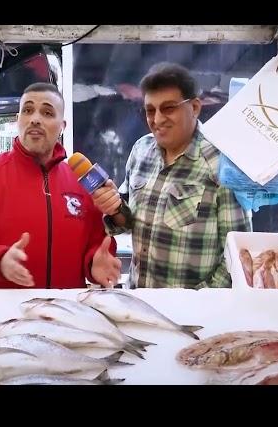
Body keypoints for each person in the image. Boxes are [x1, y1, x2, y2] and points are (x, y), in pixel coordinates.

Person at [0, 82, 121, 289]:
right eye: (27, 110)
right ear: (18, 120)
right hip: (2, 315)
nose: (35, 119)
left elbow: (97, 245)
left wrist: (94, 263)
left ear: (62, 126)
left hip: (62, 313)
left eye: (47, 112)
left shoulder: (80, 181)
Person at [92, 63, 250, 289]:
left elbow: (237, 253)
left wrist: (200, 304)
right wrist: (114, 208)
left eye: (168, 108)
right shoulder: (141, 150)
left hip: (192, 314)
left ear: (195, 107)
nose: (157, 120)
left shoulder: (222, 164)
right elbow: (128, 222)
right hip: (139, 299)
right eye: (150, 110)